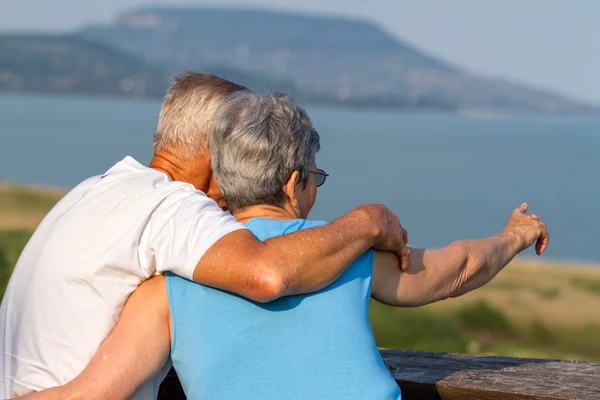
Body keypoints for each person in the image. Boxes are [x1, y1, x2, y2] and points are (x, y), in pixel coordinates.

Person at [25, 91, 549, 400]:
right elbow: (457, 270)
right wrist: (514, 236)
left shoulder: (164, 291)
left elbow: (88, 396)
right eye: (317, 176)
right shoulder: (347, 255)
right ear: (295, 183)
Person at [0, 73, 411, 399]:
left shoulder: (99, 188)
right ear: (219, 153)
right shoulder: (175, 207)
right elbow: (267, 273)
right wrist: (367, 222)